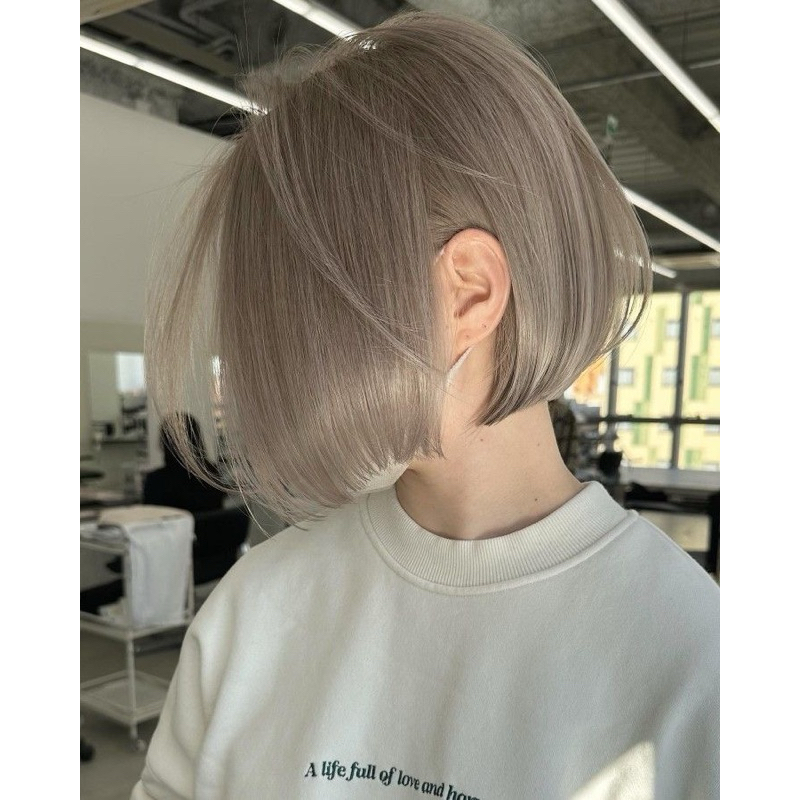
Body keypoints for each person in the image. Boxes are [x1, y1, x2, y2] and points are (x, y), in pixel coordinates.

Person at [133, 12, 718, 799]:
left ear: (469, 291)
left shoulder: (696, 663)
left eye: (304, 312)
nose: (271, 360)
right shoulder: (254, 610)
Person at [80, 413, 225, 616]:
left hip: (166, 558)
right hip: (210, 559)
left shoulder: (159, 481)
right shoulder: (213, 475)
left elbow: (147, 521)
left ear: (164, 443)